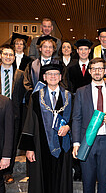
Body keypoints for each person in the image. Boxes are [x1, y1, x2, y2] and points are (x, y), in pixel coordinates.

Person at [19, 64, 73, 193]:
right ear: (44, 77)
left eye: (56, 74)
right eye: (49, 74)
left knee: (61, 179)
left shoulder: (69, 96)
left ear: (60, 77)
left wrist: (68, 127)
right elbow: (29, 122)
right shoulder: (36, 97)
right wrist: (29, 148)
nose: (53, 76)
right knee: (42, 179)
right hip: (40, 145)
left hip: (63, 145)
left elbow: (75, 117)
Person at [72, 57, 106, 193]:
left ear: (105, 71)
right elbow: (76, 118)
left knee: (105, 182)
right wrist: (76, 143)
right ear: (89, 71)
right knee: (87, 181)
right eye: (94, 69)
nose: (97, 71)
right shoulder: (81, 92)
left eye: (100, 68)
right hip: (86, 141)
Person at [0, 44, 25, 184]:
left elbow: (23, 96)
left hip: (14, 115)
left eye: (11, 55)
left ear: (14, 57)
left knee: (11, 144)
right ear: (0, 56)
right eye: (5, 54)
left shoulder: (20, 74)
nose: (8, 57)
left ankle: (7, 172)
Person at [24, 35, 61, 103]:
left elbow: (63, 83)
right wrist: (34, 95)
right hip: (35, 101)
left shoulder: (59, 65)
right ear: (40, 49)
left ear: (53, 49)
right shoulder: (31, 65)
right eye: (45, 47)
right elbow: (27, 83)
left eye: (50, 47)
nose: (48, 49)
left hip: (54, 100)